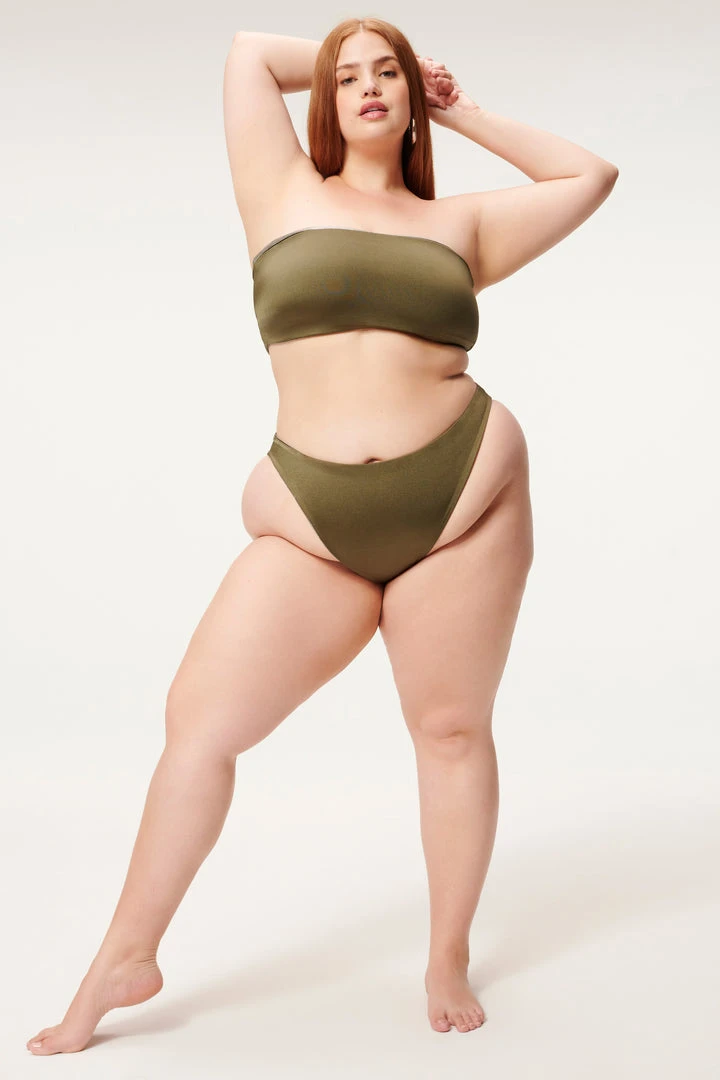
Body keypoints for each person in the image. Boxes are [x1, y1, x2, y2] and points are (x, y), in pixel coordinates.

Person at [26, 17, 618, 1054]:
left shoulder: (464, 226)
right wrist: (373, 40)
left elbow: (590, 175)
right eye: (350, 76)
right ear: (327, 102)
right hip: (312, 519)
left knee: (450, 731)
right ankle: (125, 953)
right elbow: (247, 53)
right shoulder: (282, 189)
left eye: (388, 74)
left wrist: (457, 106)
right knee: (199, 724)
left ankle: (446, 953)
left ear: (413, 100)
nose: (369, 85)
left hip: (463, 497)